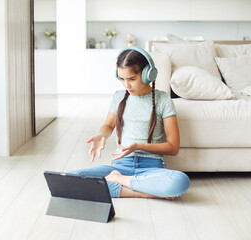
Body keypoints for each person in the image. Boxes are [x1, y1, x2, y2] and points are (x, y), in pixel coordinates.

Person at [67, 46, 190, 199]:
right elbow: (108, 125)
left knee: (179, 181)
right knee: (68, 178)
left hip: (150, 168)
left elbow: (173, 147)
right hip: (120, 166)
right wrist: (101, 135)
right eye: (122, 79)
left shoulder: (163, 100)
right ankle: (148, 192)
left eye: (132, 79)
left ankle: (118, 181)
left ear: (147, 74)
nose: (126, 85)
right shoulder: (119, 97)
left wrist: (138, 146)